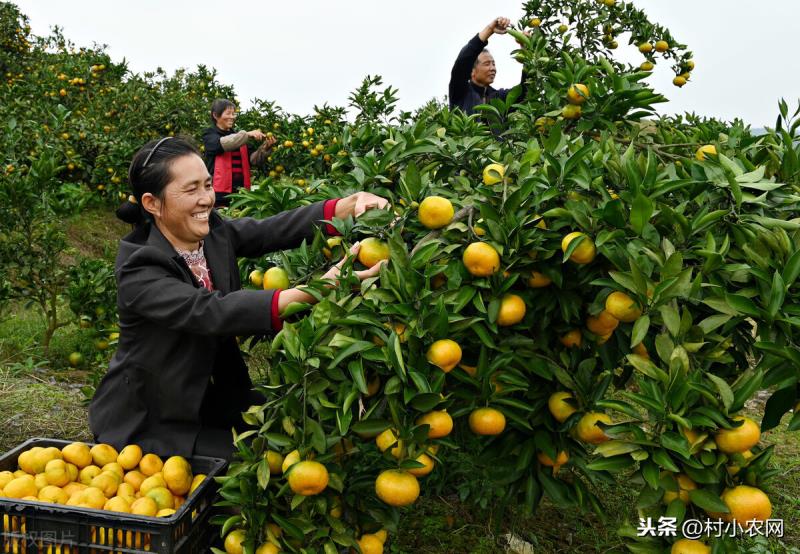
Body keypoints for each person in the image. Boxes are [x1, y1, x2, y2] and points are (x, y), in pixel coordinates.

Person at [89, 136, 389, 461]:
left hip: (217, 397)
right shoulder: (139, 267)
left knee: (295, 436)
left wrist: (346, 207)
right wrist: (320, 288)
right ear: (152, 203)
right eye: (191, 190)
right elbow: (209, 312)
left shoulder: (213, 233)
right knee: (259, 461)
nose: (206, 199)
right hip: (155, 420)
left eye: (207, 185)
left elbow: (270, 230)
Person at [202, 98, 276, 207]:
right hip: (218, 194)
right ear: (215, 115)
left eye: (233, 114)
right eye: (228, 113)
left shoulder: (239, 137)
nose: (232, 117)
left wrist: (265, 148)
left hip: (241, 194)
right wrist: (246, 134)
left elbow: (252, 160)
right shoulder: (210, 134)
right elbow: (220, 144)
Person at [449, 17, 526, 115]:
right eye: (487, 64)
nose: (492, 68)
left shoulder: (498, 98)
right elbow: (463, 61)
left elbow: (524, 91)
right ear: (472, 71)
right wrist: (490, 29)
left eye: (493, 64)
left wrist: (526, 50)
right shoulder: (460, 92)